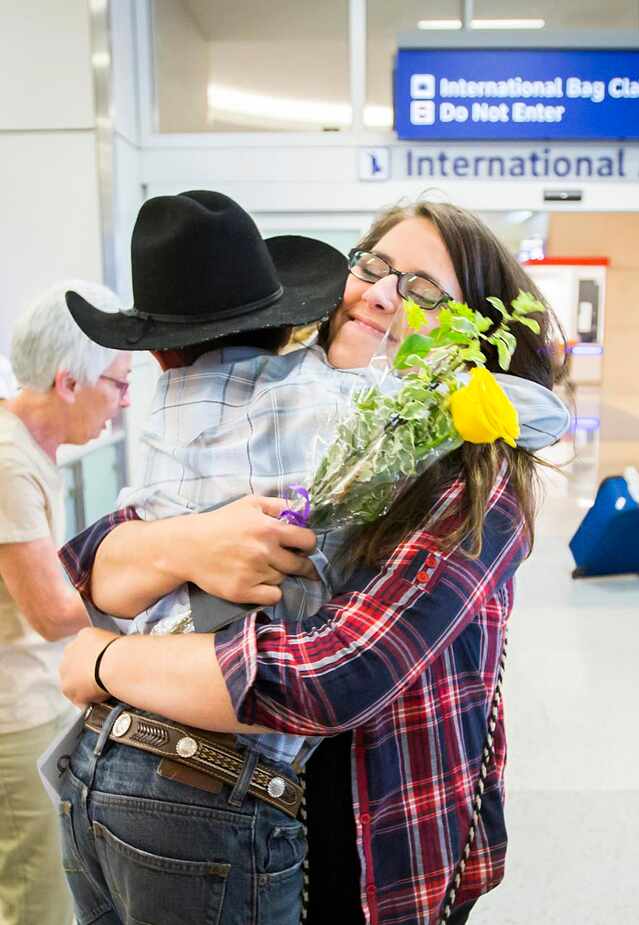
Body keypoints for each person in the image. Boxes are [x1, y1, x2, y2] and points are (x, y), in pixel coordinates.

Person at [58, 200, 570, 925]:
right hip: (222, 809)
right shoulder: (270, 391)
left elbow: (329, 675)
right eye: (374, 265)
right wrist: (192, 543)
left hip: (371, 852)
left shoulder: (470, 475)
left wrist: (106, 663)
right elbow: (95, 564)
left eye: (425, 292)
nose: (382, 293)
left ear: (474, 335)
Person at [0, 280, 130, 925]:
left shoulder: (30, 450)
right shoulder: (7, 462)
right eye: (118, 383)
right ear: (68, 382)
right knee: (39, 900)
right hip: (14, 716)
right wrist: (154, 584)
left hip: (38, 694)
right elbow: (50, 612)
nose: (125, 403)